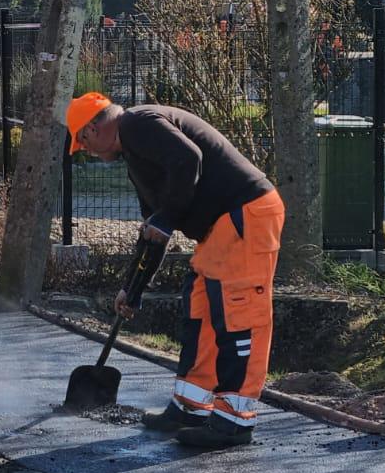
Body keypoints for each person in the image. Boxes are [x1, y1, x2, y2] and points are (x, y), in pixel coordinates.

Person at [67, 92, 284, 449]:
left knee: (238, 315)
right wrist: (132, 288)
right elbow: (153, 230)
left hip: (246, 214)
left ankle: (233, 421)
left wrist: (166, 219)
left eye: (82, 141)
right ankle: (190, 406)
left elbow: (189, 159)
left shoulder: (137, 123)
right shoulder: (137, 158)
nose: (84, 150)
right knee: (199, 311)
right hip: (221, 228)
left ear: (94, 127)